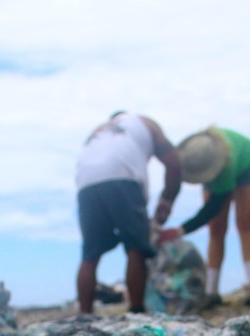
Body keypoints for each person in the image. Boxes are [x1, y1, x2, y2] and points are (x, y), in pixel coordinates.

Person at [75, 112, 182, 315]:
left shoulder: (99, 131)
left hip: (86, 183)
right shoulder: (145, 122)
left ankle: (84, 314)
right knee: (136, 247)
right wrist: (167, 201)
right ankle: (136, 309)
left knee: (90, 253)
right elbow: (174, 164)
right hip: (123, 177)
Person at [159, 127, 250, 307]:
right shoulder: (198, 155)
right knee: (216, 228)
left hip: (249, 164)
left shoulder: (227, 164)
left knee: (245, 222)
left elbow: (212, 208)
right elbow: (212, 216)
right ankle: (211, 292)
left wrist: (180, 230)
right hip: (219, 167)